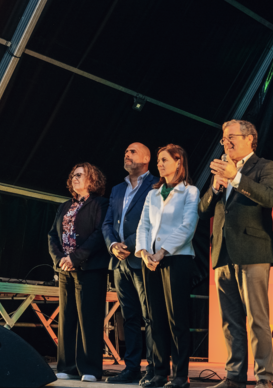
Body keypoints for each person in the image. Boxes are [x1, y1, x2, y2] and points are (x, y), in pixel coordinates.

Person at [198, 120, 273, 388]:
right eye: (224, 138)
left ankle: (263, 378)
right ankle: (234, 377)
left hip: (253, 251)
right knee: (230, 320)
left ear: (250, 138)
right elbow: (203, 210)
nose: (226, 142)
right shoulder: (221, 170)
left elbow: (269, 197)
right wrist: (216, 187)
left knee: (257, 319)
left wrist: (236, 177)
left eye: (231, 137)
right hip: (223, 252)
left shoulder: (265, 166)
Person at [135, 144, 199, 388]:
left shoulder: (190, 191)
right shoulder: (153, 194)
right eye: (159, 160)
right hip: (150, 261)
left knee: (177, 319)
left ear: (178, 162)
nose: (159, 164)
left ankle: (180, 376)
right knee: (156, 318)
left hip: (176, 258)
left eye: (164, 160)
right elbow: (143, 225)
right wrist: (144, 252)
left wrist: (162, 251)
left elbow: (188, 226)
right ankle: (159, 373)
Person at [102, 143, 159, 384]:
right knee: (129, 318)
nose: (127, 154)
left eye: (133, 151)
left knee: (150, 316)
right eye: (125, 151)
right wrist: (113, 245)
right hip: (119, 262)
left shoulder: (156, 184)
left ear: (147, 158)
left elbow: (153, 220)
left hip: (142, 258)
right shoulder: (117, 189)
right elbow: (107, 223)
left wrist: (129, 245)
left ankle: (155, 369)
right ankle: (131, 368)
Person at [48, 162, 109, 383]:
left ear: (93, 180)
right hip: (65, 269)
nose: (75, 178)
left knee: (89, 318)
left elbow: (99, 234)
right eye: (73, 175)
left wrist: (75, 258)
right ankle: (67, 366)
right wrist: (60, 260)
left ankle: (90, 367)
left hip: (90, 268)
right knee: (67, 317)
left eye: (80, 175)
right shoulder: (65, 205)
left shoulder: (100, 203)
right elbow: (52, 235)